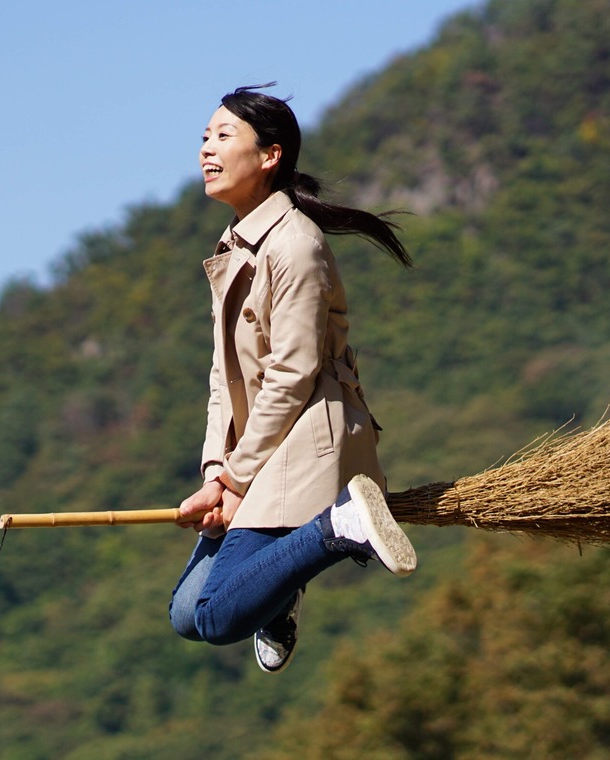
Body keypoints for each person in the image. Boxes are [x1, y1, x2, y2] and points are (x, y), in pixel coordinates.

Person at [169, 83, 417, 674]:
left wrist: (233, 481)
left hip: (307, 445)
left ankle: (337, 526)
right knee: (185, 615)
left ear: (270, 156)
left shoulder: (296, 247)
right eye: (205, 136)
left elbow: (294, 376)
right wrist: (213, 471)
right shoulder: (235, 246)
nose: (207, 148)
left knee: (213, 615)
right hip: (258, 454)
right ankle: (283, 588)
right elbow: (220, 377)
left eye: (223, 136)